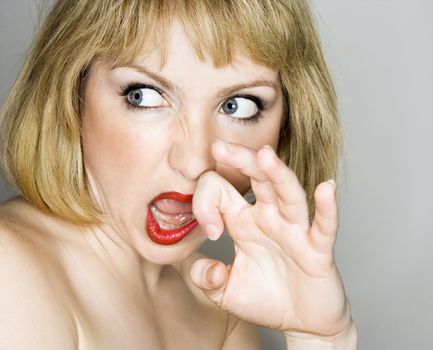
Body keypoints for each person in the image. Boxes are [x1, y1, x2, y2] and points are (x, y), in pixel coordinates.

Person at [0, 0, 358, 348]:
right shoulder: (10, 271)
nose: (195, 162)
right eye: (143, 96)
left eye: (237, 106)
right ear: (71, 91)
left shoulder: (216, 308)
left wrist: (322, 339)